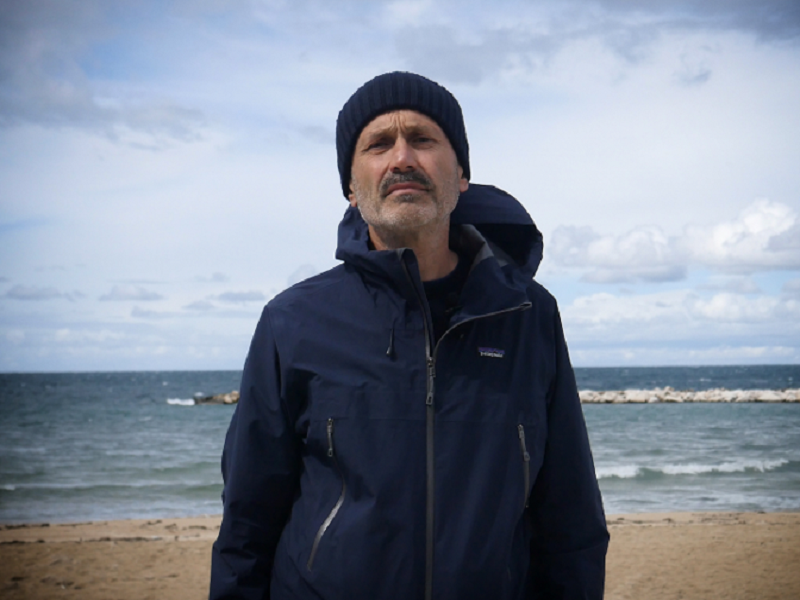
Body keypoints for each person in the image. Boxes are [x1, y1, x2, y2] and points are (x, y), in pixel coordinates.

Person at [209, 71, 609, 600]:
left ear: (460, 174)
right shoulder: (293, 321)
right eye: (378, 144)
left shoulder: (527, 314)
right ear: (351, 189)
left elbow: (571, 519)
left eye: (422, 139)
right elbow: (247, 522)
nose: (401, 158)